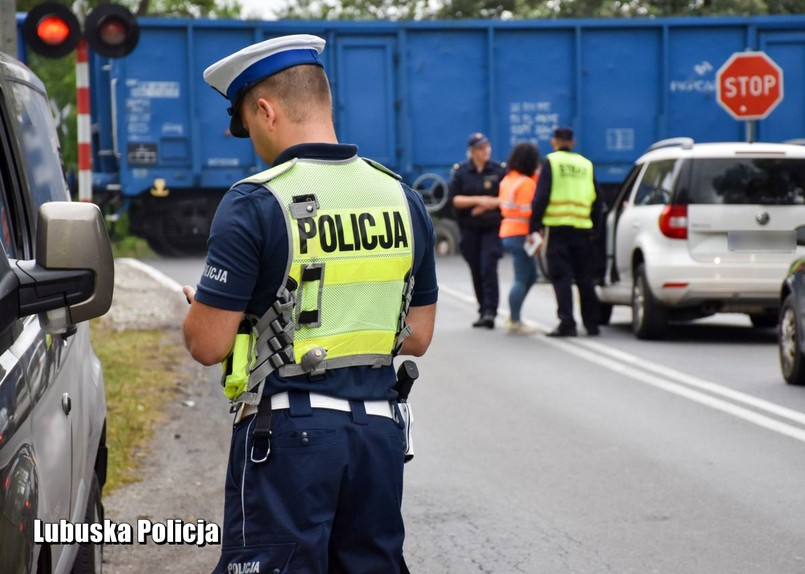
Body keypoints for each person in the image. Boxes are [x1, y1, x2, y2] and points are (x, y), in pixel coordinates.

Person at [182, 34, 438, 574]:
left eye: (248, 126)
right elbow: (416, 335)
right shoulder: (402, 198)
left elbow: (208, 345)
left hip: (289, 440)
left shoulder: (255, 200)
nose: (251, 142)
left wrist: (216, 309)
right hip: (378, 438)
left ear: (266, 110)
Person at [529, 126, 601, 337]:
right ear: (573, 142)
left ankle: (567, 323)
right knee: (584, 278)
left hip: (557, 229)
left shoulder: (552, 161)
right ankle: (592, 324)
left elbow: (541, 196)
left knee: (562, 277)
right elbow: (598, 200)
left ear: (554, 142)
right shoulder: (586, 164)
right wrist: (595, 229)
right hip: (582, 229)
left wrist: (534, 226)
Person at [449, 132, 506, 329]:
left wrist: (486, 205)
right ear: (472, 152)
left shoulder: (499, 171)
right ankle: (483, 309)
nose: (486, 151)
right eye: (481, 148)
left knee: (488, 267)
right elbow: (455, 199)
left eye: (487, 147)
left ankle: (491, 311)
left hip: (491, 228)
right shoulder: (462, 172)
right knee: (476, 268)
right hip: (470, 229)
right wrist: (479, 200)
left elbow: (506, 198)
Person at [498, 142, 540, 335]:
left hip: (508, 230)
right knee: (522, 278)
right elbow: (528, 212)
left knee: (531, 275)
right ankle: (514, 320)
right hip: (521, 233)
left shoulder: (507, 179)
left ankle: (515, 316)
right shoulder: (526, 183)